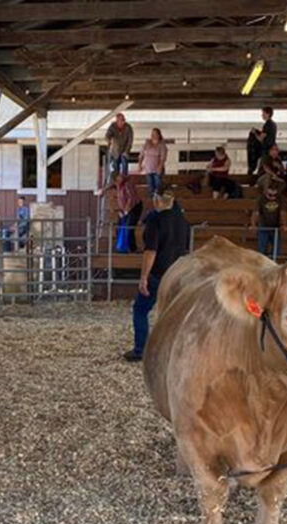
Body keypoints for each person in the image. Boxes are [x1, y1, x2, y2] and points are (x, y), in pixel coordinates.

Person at [123, 186, 190, 362]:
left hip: (158, 273)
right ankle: (174, 351)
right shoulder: (182, 220)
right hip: (177, 273)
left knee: (140, 310)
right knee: (172, 313)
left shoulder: (156, 219)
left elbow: (150, 251)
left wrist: (144, 277)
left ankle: (141, 349)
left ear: (157, 199)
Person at [111, 171, 143, 253]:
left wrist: (126, 210)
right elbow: (120, 199)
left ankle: (133, 249)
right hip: (125, 208)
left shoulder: (127, 184)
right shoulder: (118, 185)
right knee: (120, 227)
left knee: (129, 227)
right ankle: (122, 247)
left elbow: (131, 198)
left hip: (134, 207)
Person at [250, 182, 284, 259]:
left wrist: (283, 224)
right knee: (262, 248)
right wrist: (253, 224)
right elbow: (256, 213)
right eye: (270, 195)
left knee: (276, 249)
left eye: (274, 195)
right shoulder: (260, 199)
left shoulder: (280, 198)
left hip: (276, 225)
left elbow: (283, 212)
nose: (272, 197)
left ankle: (274, 262)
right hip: (264, 225)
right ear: (266, 192)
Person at [137, 128, 167, 198]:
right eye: (152, 134)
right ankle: (151, 200)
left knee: (158, 187)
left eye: (155, 134)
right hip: (148, 168)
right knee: (150, 187)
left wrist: (160, 167)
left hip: (157, 169)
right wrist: (139, 165)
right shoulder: (147, 143)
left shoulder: (162, 145)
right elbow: (141, 155)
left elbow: (163, 157)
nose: (153, 135)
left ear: (159, 135)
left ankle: (158, 201)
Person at [247, 107, 277, 176]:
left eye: (263, 113)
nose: (262, 115)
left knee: (264, 165)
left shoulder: (268, 124)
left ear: (268, 114)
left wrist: (255, 133)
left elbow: (261, 139)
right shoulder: (273, 124)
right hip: (270, 148)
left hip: (266, 149)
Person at [105, 112, 134, 178]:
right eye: (120, 120)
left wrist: (126, 151)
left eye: (123, 120)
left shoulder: (128, 127)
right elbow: (107, 135)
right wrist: (108, 140)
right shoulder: (112, 126)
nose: (122, 122)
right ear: (117, 121)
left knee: (124, 163)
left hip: (125, 149)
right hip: (115, 150)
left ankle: (124, 178)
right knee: (115, 166)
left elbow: (130, 140)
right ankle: (116, 179)